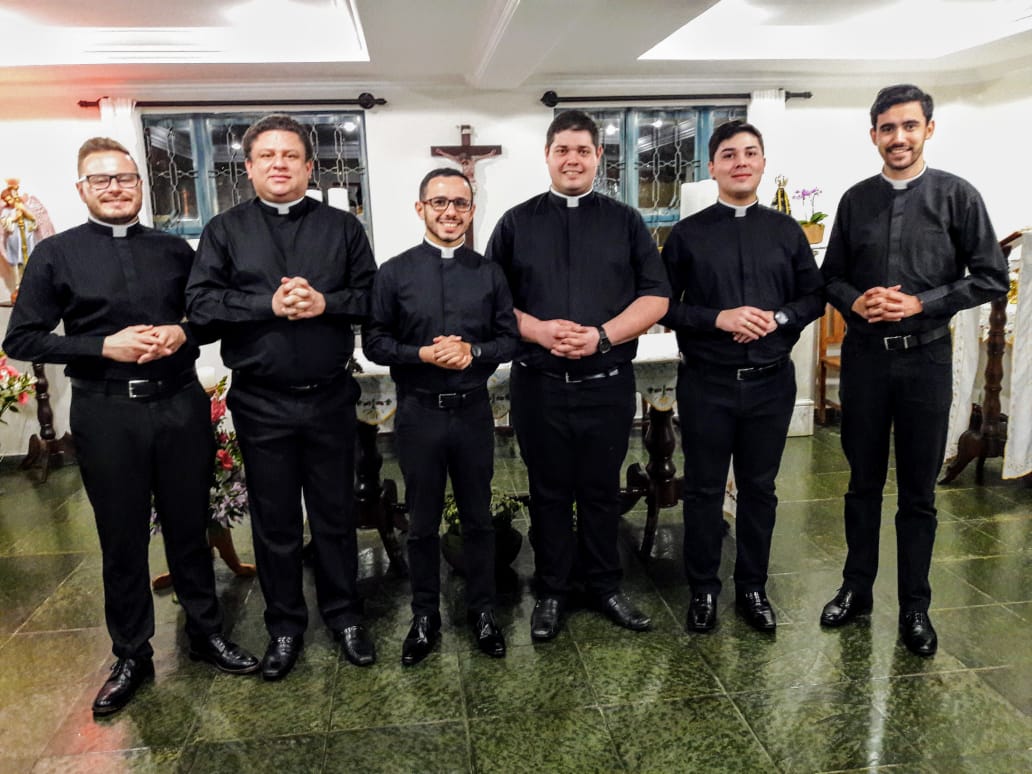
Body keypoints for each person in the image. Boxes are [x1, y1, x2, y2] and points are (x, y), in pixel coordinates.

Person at [3, 137, 259, 717]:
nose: (115, 188)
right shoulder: (56, 255)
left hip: (179, 405)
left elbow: (209, 317)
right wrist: (102, 346)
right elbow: (22, 339)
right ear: (82, 189)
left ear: (140, 185)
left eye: (125, 178)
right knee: (121, 539)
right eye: (102, 180)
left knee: (190, 527)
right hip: (107, 412)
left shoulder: (174, 250)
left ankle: (205, 633)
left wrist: (183, 332)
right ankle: (131, 655)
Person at [186, 114, 378, 680]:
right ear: (248, 167)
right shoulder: (224, 230)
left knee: (336, 514)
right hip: (261, 401)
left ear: (308, 167)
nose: (279, 164)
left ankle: (345, 616)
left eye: (290, 155)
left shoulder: (343, 228)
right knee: (275, 523)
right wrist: (265, 305)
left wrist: (325, 304)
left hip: (329, 396)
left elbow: (372, 298)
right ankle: (286, 627)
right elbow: (201, 307)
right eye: (266, 155)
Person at [819, 85, 1009, 656]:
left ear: (929, 128)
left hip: (925, 358)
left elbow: (991, 276)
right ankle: (856, 590)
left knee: (918, 492)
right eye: (887, 128)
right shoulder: (855, 200)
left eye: (908, 126)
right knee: (862, 483)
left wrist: (920, 303)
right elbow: (830, 277)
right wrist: (856, 301)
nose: (897, 137)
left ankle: (915, 607)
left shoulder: (957, 196)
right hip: (865, 361)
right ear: (873, 135)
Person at [485, 110, 669, 641]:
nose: (572, 159)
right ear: (547, 155)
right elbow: (491, 300)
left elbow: (656, 296)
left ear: (598, 157)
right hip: (538, 385)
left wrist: (602, 336)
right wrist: (539, 331)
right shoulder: (516, 223)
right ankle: (552, 589)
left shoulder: (625, 221)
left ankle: (605, 584)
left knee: (600, 490)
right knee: (547, 492)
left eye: (583, 150)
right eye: (562, 150)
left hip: (605, 384)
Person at [661, 121, 824, 633]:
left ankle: (752, 587)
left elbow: (813, 297)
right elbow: (663, 306)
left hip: (770, 383)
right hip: (707, 383)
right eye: (729, 155)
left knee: (759, 489)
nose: (741, 162)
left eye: (750, 153)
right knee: (704, 490)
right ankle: (703, 590)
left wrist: (779, 318)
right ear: (712, 167)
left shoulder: (786, 232)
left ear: (762, 163)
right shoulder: (687, 235)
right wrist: (718, 318)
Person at [363, 167, 518, 664]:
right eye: (439, 202)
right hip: (419, 413)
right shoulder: (394, 273)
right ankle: (424, 615)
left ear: (471, 211)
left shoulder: (489, 273)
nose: (450, 212)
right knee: (422, 523)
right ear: (421, 208)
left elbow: (509, 340)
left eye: (460, 203)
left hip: (472, 412)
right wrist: (423, 355)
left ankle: (483, 611)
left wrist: (474, 351)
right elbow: (375, 343)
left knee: (478, 520)